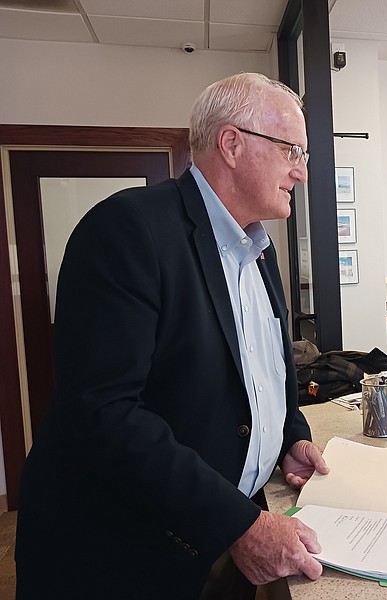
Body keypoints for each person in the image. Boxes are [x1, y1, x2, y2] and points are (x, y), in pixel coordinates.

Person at [15, 73, 330, 600]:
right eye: (290, 151)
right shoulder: (127, 230)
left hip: (218, 544)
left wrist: (289, 437)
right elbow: (103, 413)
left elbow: (260, 372)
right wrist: (238, 523)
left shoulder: (261, 250)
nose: (301, 171)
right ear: (231, 144)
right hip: (124, 558)